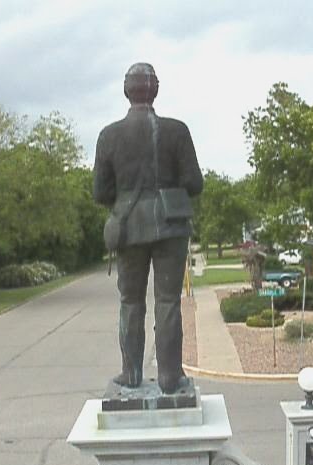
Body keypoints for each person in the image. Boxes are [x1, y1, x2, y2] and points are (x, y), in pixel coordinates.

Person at [93, 62, 203, 394]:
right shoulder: (177, 130)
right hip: (170, 225)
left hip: (127, 227)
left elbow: (101, 193)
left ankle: (131, 373)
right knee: (168, 301)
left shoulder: (109, 135)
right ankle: (170, 376)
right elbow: (194, 184)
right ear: (155, 90)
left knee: (130, 302)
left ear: (127, 91)